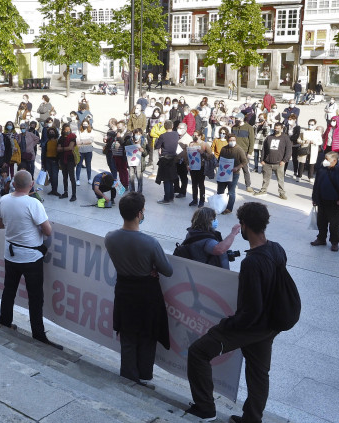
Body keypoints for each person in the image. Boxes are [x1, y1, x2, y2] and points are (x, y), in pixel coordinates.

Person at [186, 202, 283, 423]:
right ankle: (252, 419)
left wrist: (227, 326)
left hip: (252, 326)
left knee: (198, 352)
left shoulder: (252, 262)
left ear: (246, 226)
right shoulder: (277, 248)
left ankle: (205, 408)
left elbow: (252, 310)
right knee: (259, 374)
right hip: (271, 325)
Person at [105, 192, 173, 385]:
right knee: (147, 335)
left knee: (127, 335)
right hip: (146, 294)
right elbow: (167, 270)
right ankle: (144, 376)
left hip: (124, 291)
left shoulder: (110, 238)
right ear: (139, 214)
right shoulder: (150, 242)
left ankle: (128, 377)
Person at [0, 170, 59, 348]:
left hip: (11, 254)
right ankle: (38, 334)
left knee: (9, 290)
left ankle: (5, 322)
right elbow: (48, 231)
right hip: (31, 257)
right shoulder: (33, 204)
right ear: (31, 185)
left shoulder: (4, 200)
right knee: (35, 296)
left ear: (13, 184)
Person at [311, 151, 339, 252]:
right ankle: (321, 238)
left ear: (334, 160)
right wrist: (314, 198)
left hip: (335, 202)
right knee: (321, 222)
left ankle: (334, 242)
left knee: (334, 224)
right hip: (322, 200)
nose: (325, 161)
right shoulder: (322, 169)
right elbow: (317, 184)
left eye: (327, 160)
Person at [255, 122, 292, 200]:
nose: (276, 130)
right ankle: (263, 190)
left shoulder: (285, 138)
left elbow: (289, 151)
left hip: (279, 163)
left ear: (282, 129)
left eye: (278, 128)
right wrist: (262, 159)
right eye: (275, 128)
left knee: (280, 180)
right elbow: (263, 149)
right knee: (265, 178)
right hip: (267, 163)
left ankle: (282, 193)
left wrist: (284, 160)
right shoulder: (269, 137)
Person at [218, 134, 249, 215]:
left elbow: (245, 161)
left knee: (231, 192)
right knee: (220, 191)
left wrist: (237, 167)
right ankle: (219, 206)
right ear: (228, 141)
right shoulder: (224, 149)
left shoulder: (239, 150)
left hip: (234, 174)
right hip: (223, 173)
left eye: (233, 140)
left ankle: (229, 208)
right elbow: (220, 159)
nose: (232, 142)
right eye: (230, 140)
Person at [155, 120, 179, 204]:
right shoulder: (176, 134)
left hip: (165, 159)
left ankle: (166, 198)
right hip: (173, 158)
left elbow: (157, 146)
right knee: (171, 178)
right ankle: (171, 196)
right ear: (172, 126)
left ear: (164, 127)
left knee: (166, 179)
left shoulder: (163, 136)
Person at [231, 114, 255, 192]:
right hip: (234, 150)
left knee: (245, 169)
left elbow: (252, 140)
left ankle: (248, 185)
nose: (237, 120)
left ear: (242, 118)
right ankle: (232, 184)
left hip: (244, 150)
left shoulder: (249, 127)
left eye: (238, 118)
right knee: (234, 168)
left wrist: (250, 152)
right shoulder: (233, 127)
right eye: (236, 118)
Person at [187, 132, 211, 207]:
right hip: (193, 167)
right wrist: (187, 164)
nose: (195, 136)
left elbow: (210, 156)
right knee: (194, 184)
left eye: (196, 135)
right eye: (193, 135)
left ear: (200, 136)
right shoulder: (191, 143)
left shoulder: (204, 144)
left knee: (201, 184)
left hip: (201, 167)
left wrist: (202, 153)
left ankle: (202, 200)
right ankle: (194, 199)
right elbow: (188, 155)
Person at [57, 123, 77, 201]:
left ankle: (74, 194)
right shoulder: (61, 138)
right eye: (66, 130)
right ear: (63, 130)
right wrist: (66, 148)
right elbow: (58, 149)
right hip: (62, 159)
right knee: (64, 177)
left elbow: (70, 147)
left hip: (70, 159)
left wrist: (62, 148)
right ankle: (66, 192)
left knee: (72, 177)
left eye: (69, 130)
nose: (68, 131)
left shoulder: (72, 137)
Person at [42, 125, 60, 196]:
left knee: (55, 176)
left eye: (53, 132)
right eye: (50, 132)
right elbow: (44, 153)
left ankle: (55, 190)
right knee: (51, 176)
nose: (51, 133)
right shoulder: (47, 142)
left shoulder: (57, 142)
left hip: (55, 161)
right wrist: (43, 163)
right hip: (48, 161)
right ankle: (53, 190)